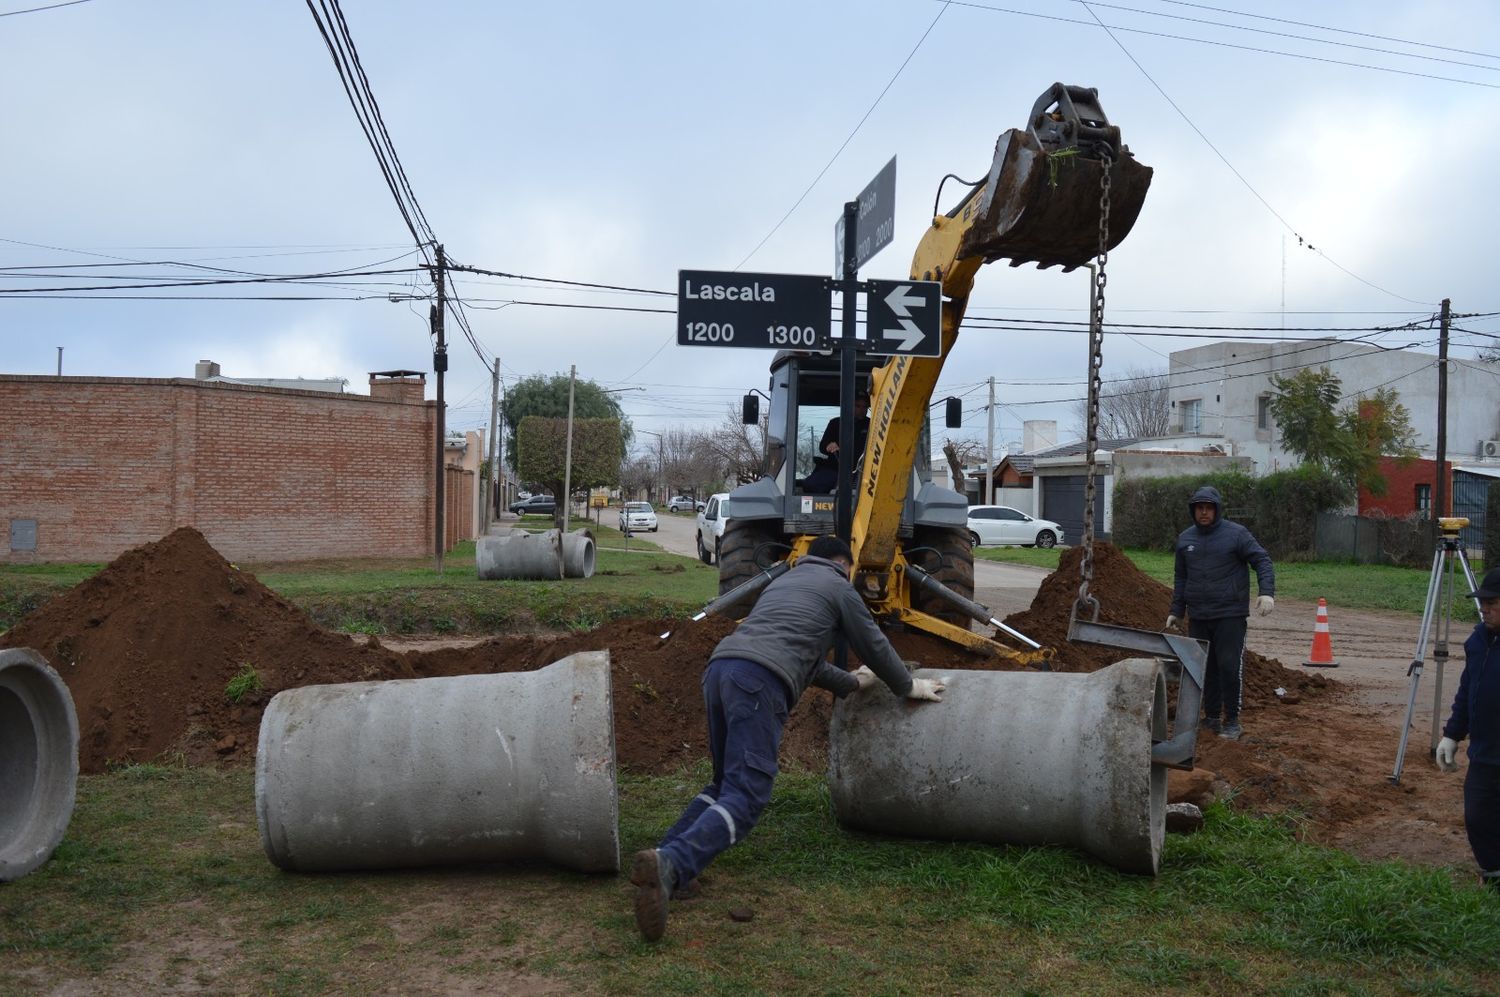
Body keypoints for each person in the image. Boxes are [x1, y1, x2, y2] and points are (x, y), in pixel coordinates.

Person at [630, 534, 945, 942]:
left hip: (722, 668)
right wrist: (907, 686)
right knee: (747, 795)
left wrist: (851, 683)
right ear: (842, 564)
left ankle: (661, 862)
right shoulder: (838, 586)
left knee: (725, 783)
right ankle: (671, 865)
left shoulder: (783, 585)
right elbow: (875, 644)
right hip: (758, 683)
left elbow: (803, 658)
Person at [1163, 484, 1275, 742]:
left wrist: (1266, 591)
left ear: (1217, 510)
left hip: (1229, 615)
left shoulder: (1236, 535)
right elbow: (1181, 577)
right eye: (1199, 508)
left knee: (1228, 665)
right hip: (1199, 615)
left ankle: (1232, 721)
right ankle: (1211, 717)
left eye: (1208, 508)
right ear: (1193, 511)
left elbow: (1262, 560)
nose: (1204, 513)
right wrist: (1177, 610)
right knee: (1205, 668)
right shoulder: (1185, 539)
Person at [1436, 567, 1500, 891]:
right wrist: (1451, 734)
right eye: (1482, 602)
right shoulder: (1478, 641)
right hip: (1485, 753)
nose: (1484, 608)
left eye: (1491, 602)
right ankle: (1493, 875)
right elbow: (1466, 689)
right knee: (1477, 816)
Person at [800, 392, 871, 493]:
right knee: (810, 484)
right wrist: (829, 445)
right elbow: (823, 446)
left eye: (865, 407)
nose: (861, 410)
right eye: (858, 406)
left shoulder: (872, 425)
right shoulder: (836, 423)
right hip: (835, 468)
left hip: (864, 471)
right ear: (850, 405)